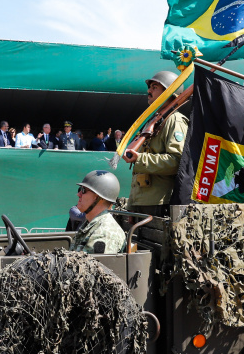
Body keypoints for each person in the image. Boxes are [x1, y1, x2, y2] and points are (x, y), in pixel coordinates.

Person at [121, 70, 189, 215]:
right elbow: (139, 171)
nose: (149, 90)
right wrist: (132, 204)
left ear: (168, 91)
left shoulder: (174, 120)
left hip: (160, 203)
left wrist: (140, 158)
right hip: (142, 202)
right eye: (150, 87)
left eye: (154, 87)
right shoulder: (154, 120)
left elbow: (177, 161)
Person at [69, 171, 126, 255]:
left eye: (83, 190)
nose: (78, 194)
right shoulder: (92, 224)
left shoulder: (104, 233)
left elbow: (92, 267)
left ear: (97, 197)